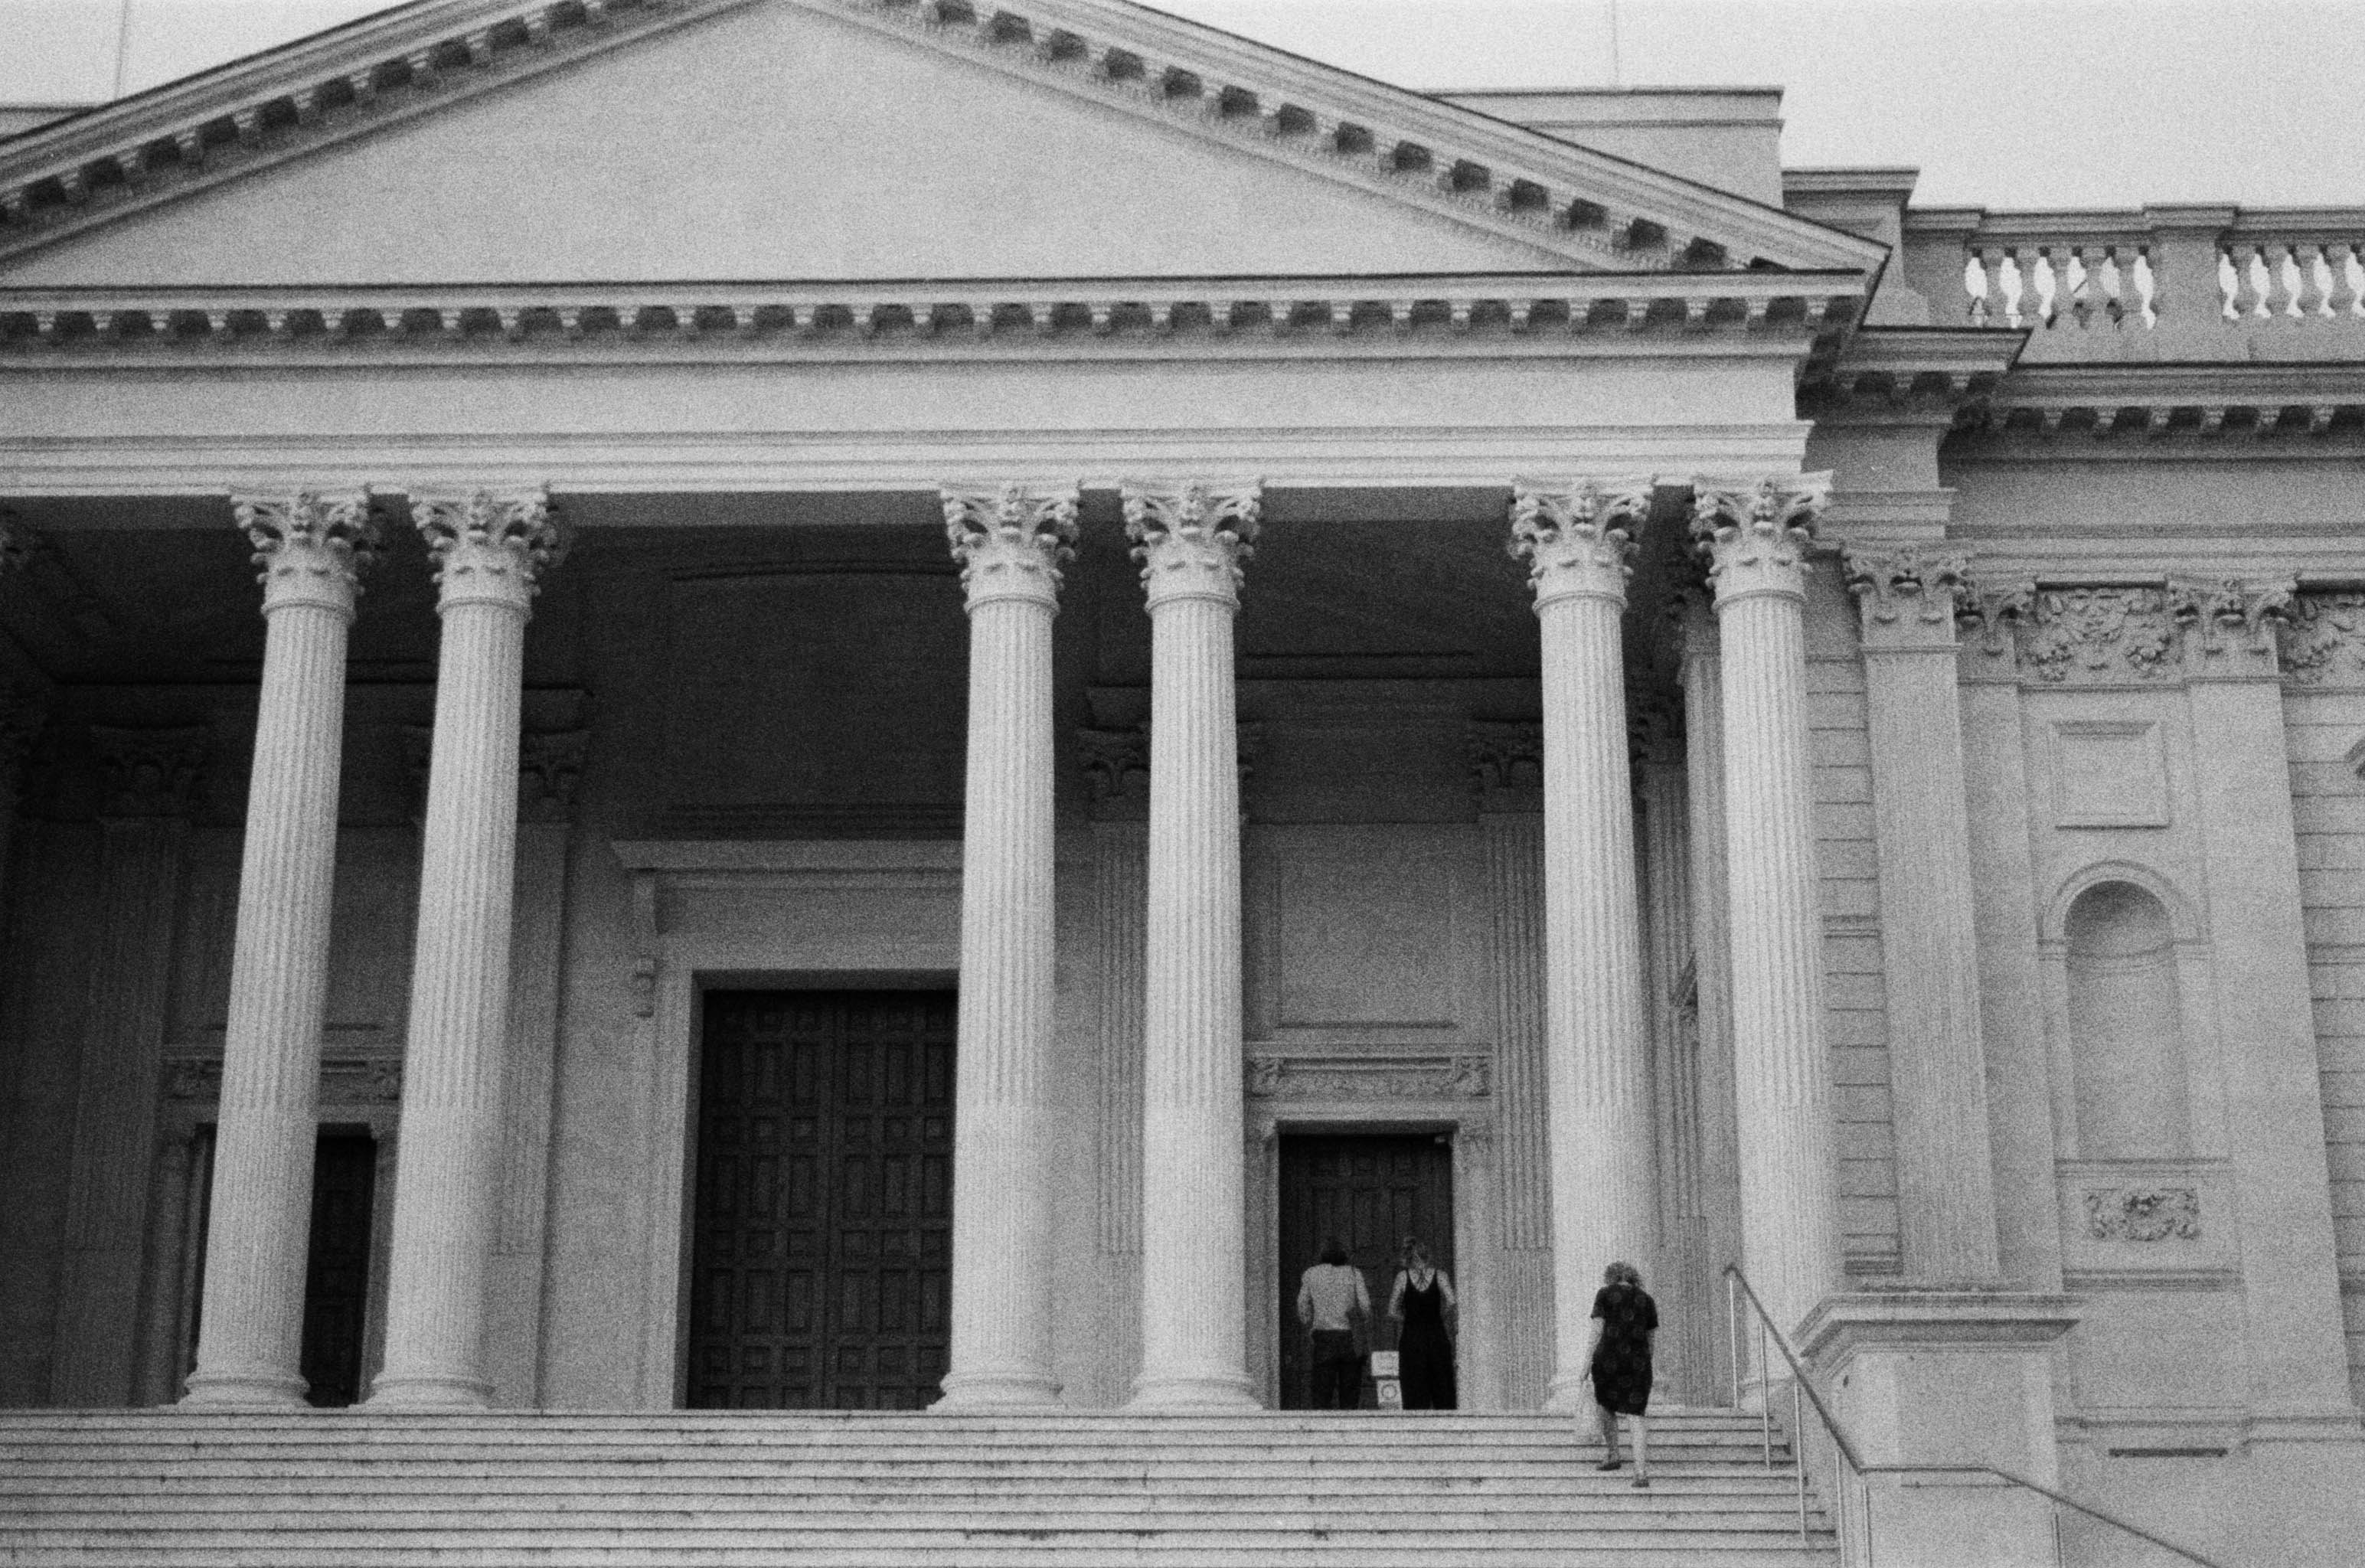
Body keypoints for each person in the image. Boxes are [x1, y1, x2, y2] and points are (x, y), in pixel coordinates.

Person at [1581, 1260, 1658, 1488]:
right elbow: (1651, 1340)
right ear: (1634, 1278)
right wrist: (1644, 1365)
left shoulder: (1604, 1295)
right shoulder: (1647, 1300)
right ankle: (1641, 1472)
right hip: (1638, 1363)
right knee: (1636, 1415)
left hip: (1608, 1360)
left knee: (1605, 1405)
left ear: (1611, 1277)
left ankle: (1613, 1454)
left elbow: (1597, 1331)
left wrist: (1586, 1364)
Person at [1295, 1239, 1370, 1410]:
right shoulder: (1353, 1273)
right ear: (1344, 1254)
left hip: (1323, 1336)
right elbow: (1365, 1305)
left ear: (1322, 1254)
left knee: (1322, 1389)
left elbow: (1302, 1305)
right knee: (1350, 1389)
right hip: (1349, 1336)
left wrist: (1308, 1322)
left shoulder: (1311, 1274)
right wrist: (1363, 1321)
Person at [1387, 1237, 1459, 1410]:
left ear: (1409, 1257)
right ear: (1427, 1256)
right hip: (1436, 1335)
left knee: (1414, 1387)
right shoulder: (1440, 1276)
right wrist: (1440, 1316)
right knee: (1442, 1385)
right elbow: (1452, 1302)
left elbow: (1391, 1311)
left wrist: (1409, 1318)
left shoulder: (1402, 1277)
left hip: (1412, 1337)